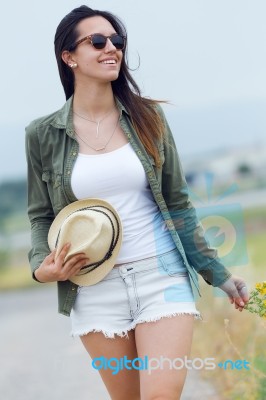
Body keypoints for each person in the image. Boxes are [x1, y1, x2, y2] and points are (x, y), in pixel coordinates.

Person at [25, 5, 249, 400]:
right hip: (94, 287)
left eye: (117, 40)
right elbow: (42, 214)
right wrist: (42, 267)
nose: (111, 47)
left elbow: (178, 204)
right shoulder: (42, 135)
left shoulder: (149, 118)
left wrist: (219, 275)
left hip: (161, 277)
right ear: (69, 56)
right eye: (97, 41)